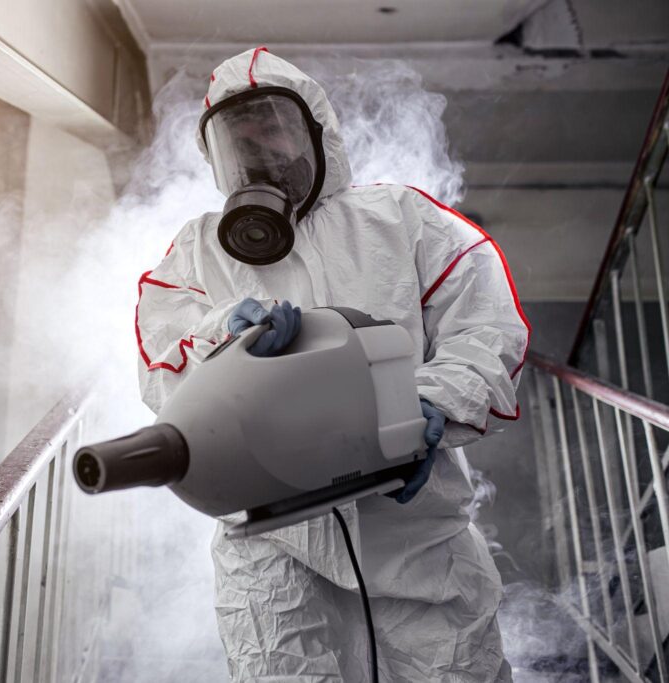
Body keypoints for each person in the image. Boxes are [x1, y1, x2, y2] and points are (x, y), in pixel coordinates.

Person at [135, 47, 530, 682]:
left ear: (317, 132)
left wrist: (425, 406)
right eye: (240, 139)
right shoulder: (198, 252)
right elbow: (162, 363)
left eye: (273, 126)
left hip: (413, 531)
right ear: (217, 159)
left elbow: (487, 326)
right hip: (270, 541)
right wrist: (223, 342)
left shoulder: (399, 218)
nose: (259, 149)